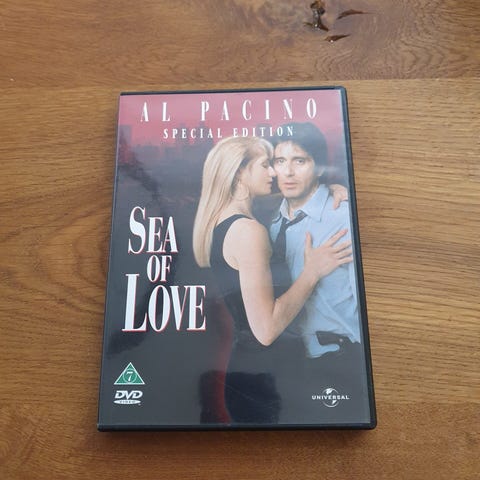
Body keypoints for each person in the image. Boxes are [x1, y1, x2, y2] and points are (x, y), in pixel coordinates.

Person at [193, 136, 352, 424]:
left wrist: (331, 189)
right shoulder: (248, 231)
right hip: (264, 381)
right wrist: (312, 271)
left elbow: (296, 197)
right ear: (239, 172)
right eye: (266, 165)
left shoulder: (227, 220)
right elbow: (265, 331)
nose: (274, 173)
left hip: (251, 372)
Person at [270, 122, 368, 420]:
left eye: (300, 161)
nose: (288, 172)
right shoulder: (272, 224)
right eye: (280, 161)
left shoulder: (342, 217)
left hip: (338, 358)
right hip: (289, 361)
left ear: (320, 167)